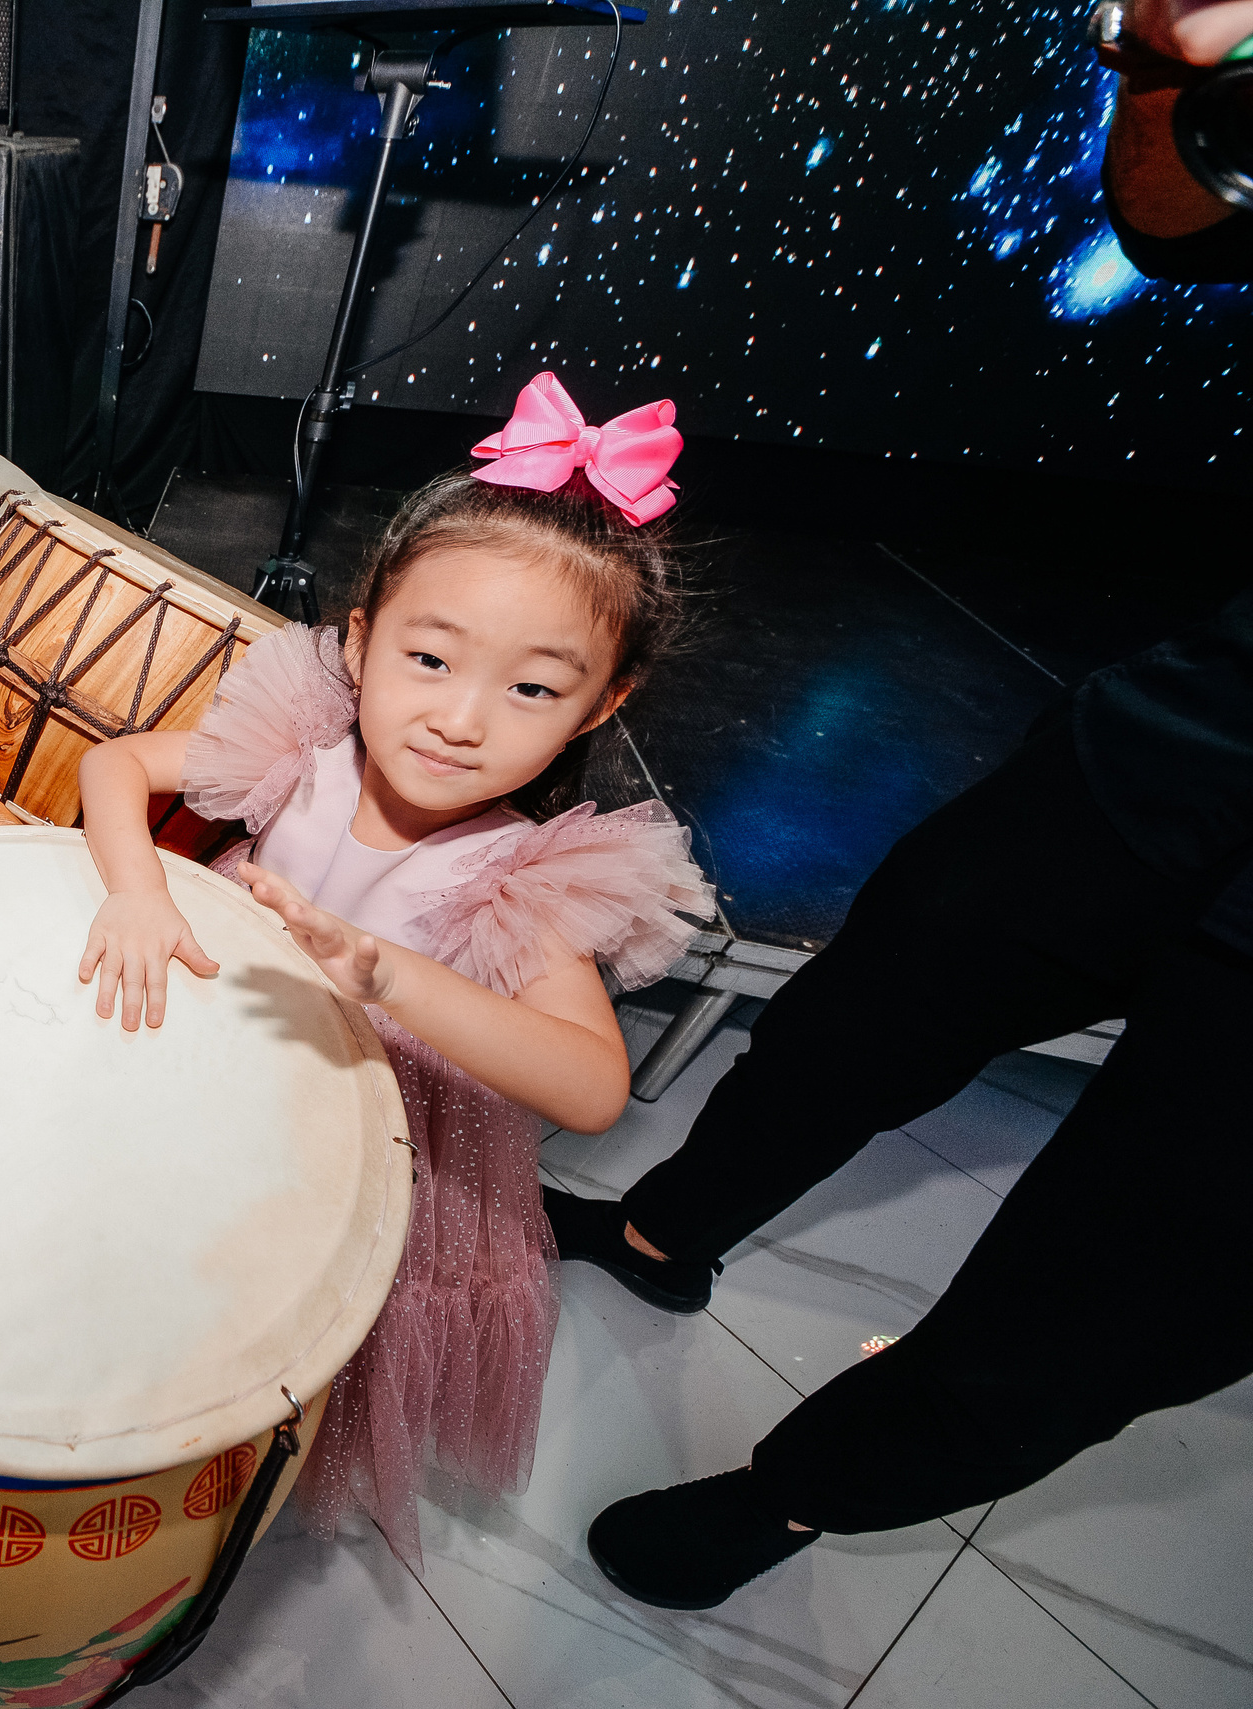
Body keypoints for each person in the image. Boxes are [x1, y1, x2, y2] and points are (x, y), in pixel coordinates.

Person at [555, 0, 1253, 1611]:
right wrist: (1167, 44)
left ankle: (799, 1498)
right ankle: (670, 1233)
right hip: (1206, 734)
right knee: (880, 993)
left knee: (1130, 1287)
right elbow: (1175, 219)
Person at [74, 375, 712, 1560]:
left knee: (311, 1320)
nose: (461, 720)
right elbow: (114, 767)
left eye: (531, 687)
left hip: (370, 1148)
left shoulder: (521, 875)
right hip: (232, 1065)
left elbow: (589, 1087)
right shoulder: (300, 751)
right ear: (361, 639)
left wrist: (389, 976)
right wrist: (137, 887)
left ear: (597, 705)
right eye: (428, 658)